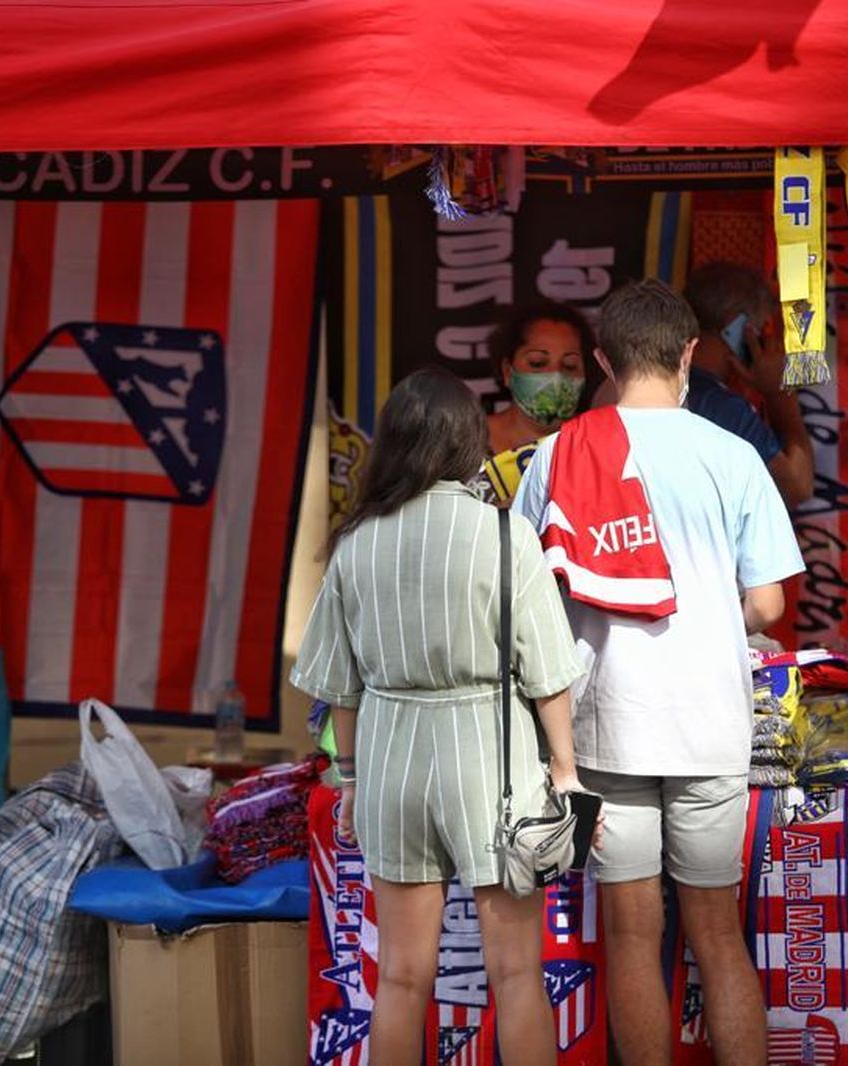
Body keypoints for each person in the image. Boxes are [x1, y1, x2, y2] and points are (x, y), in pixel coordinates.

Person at [515, 279, 805, 1065]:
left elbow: (528, 597)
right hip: (710, 726)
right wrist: (713, 613)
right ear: (686, 354)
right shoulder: (735, 455)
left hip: (606, 730)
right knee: (717, 934)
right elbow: (771, 606)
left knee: (634, 938)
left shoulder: (555, 456)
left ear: (603, 361)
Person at [291, 368, 587, 1066]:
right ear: (468, 444)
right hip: (490, 757)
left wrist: (352, 778)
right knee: (515, 973)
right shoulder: (506, 537)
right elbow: (547, 672)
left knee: (398, 976)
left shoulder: (355, 544)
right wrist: (567, 772)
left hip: (393, 758)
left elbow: (339, 686)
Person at [682, 261, 815, 506]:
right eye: (761, 330)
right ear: (739, 327)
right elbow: (797, 486)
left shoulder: (661, 383)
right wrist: (779, 392)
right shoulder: (719, 405)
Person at [486, 302, 595, 456]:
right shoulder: (470, 439)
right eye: (537, 363)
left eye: (569, 366)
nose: (555, 376)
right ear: (507, 371)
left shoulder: (596, 442)